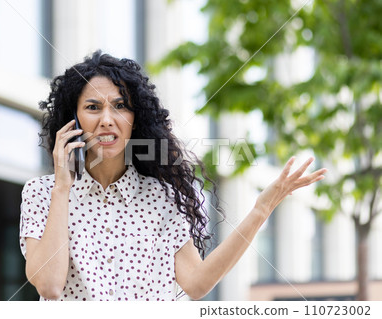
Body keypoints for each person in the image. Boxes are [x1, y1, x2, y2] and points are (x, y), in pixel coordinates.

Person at [19, 51, 327, 301]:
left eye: (120, 106)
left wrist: (261, 209)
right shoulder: (42, 193)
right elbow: (49, 285)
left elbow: (196, 282)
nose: (107, 120)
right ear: (73, 119)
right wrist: (63, 186)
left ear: (135, 119)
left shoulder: (161, 196)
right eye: (92, 107)